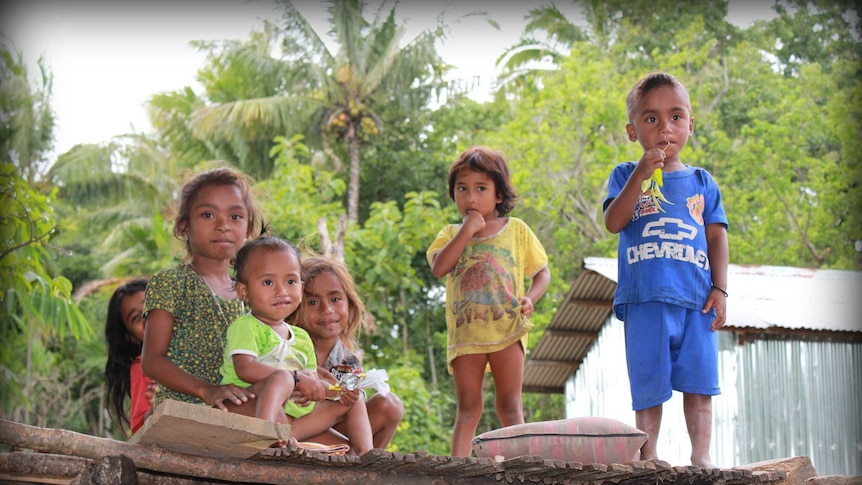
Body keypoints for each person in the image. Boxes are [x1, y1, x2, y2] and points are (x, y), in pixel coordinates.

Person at [602, 71, 729, 467]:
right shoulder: (625, 175)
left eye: (676, 117)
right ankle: (648, 454)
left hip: (696, 299)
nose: (665, 128)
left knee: (700, 384)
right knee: (648, 384)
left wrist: (720, 290)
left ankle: (702, 456)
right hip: (645, 300)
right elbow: (613, 222)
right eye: (651, 119)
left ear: (691, 124)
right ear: (632, 130)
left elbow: (716, 238)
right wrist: (642, 173)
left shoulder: (702, 182)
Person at [426, 146, 551, 457]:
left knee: (509, 405)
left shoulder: (517, 230)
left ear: (498, 194)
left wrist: (530, 299)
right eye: (462, 189)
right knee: (469, 407)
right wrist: (467, 231)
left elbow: (542, 273)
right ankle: (458, 469)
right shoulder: (450, 233)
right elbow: (440, 267)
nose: (471, 198)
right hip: (467, 335)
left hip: (508, 329)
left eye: (481, 189)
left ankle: (521, 465)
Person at [220, 237, 373, 454]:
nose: (281, 291)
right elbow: (245, 369)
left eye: (290, 282)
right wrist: (294, 378)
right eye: (268, 282)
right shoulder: (247, 326)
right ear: (243, 291)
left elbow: (312, 381)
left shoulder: (301, 337)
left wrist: (336, 392)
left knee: (351, 404)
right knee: (282, 377)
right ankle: (264, 436)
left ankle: (368, 456)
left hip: (293, 420)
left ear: (301, 287)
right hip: (249, 410)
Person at [142, 167, 263, 411]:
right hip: (186, 410)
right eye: (208, 215)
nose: (223, 226)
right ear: (183, 227)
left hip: (241, 408)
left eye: (235, 216)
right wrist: (205, 390)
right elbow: (152, 361)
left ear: (248, 229)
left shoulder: (252, 291)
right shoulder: (172, 282)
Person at [290, 255, 404, 450]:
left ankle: (370, 465)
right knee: (348, 449)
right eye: (312, 302)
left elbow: (352, 411)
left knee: (390, 404)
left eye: (335, 299)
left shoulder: (348, 361)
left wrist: (338, 393)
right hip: (296, 427)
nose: (327, 310)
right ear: (296, 305)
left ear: (349, 305)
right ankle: (354, 459)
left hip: (336, 426)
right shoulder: (289, 345)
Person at [105, 278, 152, 434]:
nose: (147, 316)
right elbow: (140, 428)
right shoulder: (143, 367)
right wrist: (161, 404)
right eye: (136, 318)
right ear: (131, 337)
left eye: (151, 305)